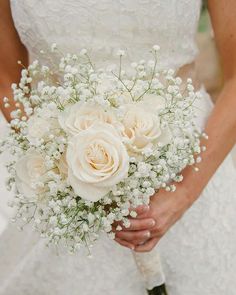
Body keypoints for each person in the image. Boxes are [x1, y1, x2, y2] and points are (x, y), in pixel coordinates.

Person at [0, 1, 236, 294]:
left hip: (195, 171)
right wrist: (61, 169)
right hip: (71, 193)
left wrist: (183, 194)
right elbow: (7, 81)